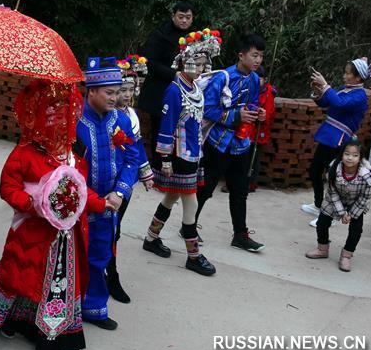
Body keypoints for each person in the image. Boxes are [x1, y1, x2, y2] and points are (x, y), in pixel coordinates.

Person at [0, 80, 109, 350]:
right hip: (32, 229)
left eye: (66, 113)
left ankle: (58, 334)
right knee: (20, 275)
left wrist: (101, 203)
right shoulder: (25, 153)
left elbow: (81, 192)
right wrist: (33, 204)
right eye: (52, 112)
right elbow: (8, 187)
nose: (60, 119)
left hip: (66, 236)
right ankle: (9, 321)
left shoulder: (72, 156)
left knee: (57, 281)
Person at [142, 29, 222, 277]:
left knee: (172, 197)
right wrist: (164, 158)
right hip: (179, 155)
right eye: (193, 64)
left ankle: (151, 237)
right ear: (182, 63)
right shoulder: (175, 90)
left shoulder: (194, 87)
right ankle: (193, 255)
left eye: (201, 64)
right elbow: (166, 125)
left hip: (192, 153)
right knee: (191, 202)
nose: (198, 69)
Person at [76, 56, 138, 330]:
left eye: (117, 92)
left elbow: (132, 158)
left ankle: (95, 308)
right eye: (109, 93)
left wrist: (120, 193)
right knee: (74, 255)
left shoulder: (121, 121)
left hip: (109, 203)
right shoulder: (74, 122)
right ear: (91, 92)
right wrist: (88, 197)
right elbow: (66, 166)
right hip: (78, 203)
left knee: (101, 255)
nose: (116, 98)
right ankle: (68, 305)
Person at [195, 33, 266, 252]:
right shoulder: (223, 77)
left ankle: (240, 235)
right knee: (205, 188)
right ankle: (188, 226)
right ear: (241, 55)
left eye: (261, 56)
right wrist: (237, 116)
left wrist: (258, 113)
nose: (258, 61)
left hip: (241, 143)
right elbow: (208, 109)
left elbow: (252, 105)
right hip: (218, 142)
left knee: (240, 190)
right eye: (254, 55)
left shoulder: (255, 80)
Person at [301, 58, 371, 226]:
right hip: (328, 136)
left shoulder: (359, 96)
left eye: (347, 73)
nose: (344, 75)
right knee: (315, 171)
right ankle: (318, 205)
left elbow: (339, 103)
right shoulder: (345, 89)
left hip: (340, 140)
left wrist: (326, 86)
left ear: (358, 78)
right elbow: (326, 102)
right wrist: (318, 90)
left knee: (333, 178)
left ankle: (331, 215)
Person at [105, 54, 153, 302]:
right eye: (121, 89)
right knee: (105, 228)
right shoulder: (107, 115)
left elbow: (137, 148)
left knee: (115, 228)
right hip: (106, 177)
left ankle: (109, 273)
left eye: (130, 89)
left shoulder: (131, 116)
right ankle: (107, 274)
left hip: (125, 181)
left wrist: (145, 173)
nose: (125, 95)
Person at [305, 139, 371, 272]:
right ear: (341, 154)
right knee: (322, 223)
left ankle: (347, 255)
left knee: (356, 230)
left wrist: (351, 214)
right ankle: (322, 249)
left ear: (361, 158)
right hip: (334, 200)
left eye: (355, 155)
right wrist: (342, 212)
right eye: (347, 154)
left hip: (356, 203)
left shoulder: (366, 175)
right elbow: (332, 192)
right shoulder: (333, 169)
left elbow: (365, 197)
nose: (350, 158)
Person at [137, 2, 194, 152]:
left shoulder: (193, 37)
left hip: (184, 91)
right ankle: (158, 166)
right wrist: (174, 74)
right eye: (181, 17)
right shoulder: (160, 34)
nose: (184, 21)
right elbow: (151, 62)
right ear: (173, 16)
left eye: (188, 17)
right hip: (160, 91)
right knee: (160, 130)